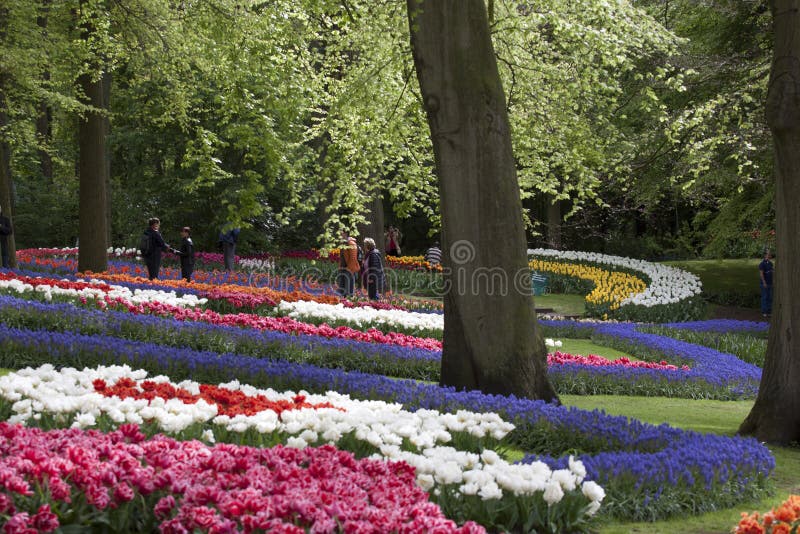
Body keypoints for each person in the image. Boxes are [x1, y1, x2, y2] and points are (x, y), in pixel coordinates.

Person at [759, 250, 774, 318]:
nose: (770, 255)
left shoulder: (771, 263)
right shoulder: (762, 264)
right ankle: (764, 311)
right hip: (764, 283)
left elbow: (772, 272)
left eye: (770, 254)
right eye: (768, 254)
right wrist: (764, 282)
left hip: (770, 283)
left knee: (770, 297)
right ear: (765, 255)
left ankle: (769, 311)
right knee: (764, 297)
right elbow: (761, 274)